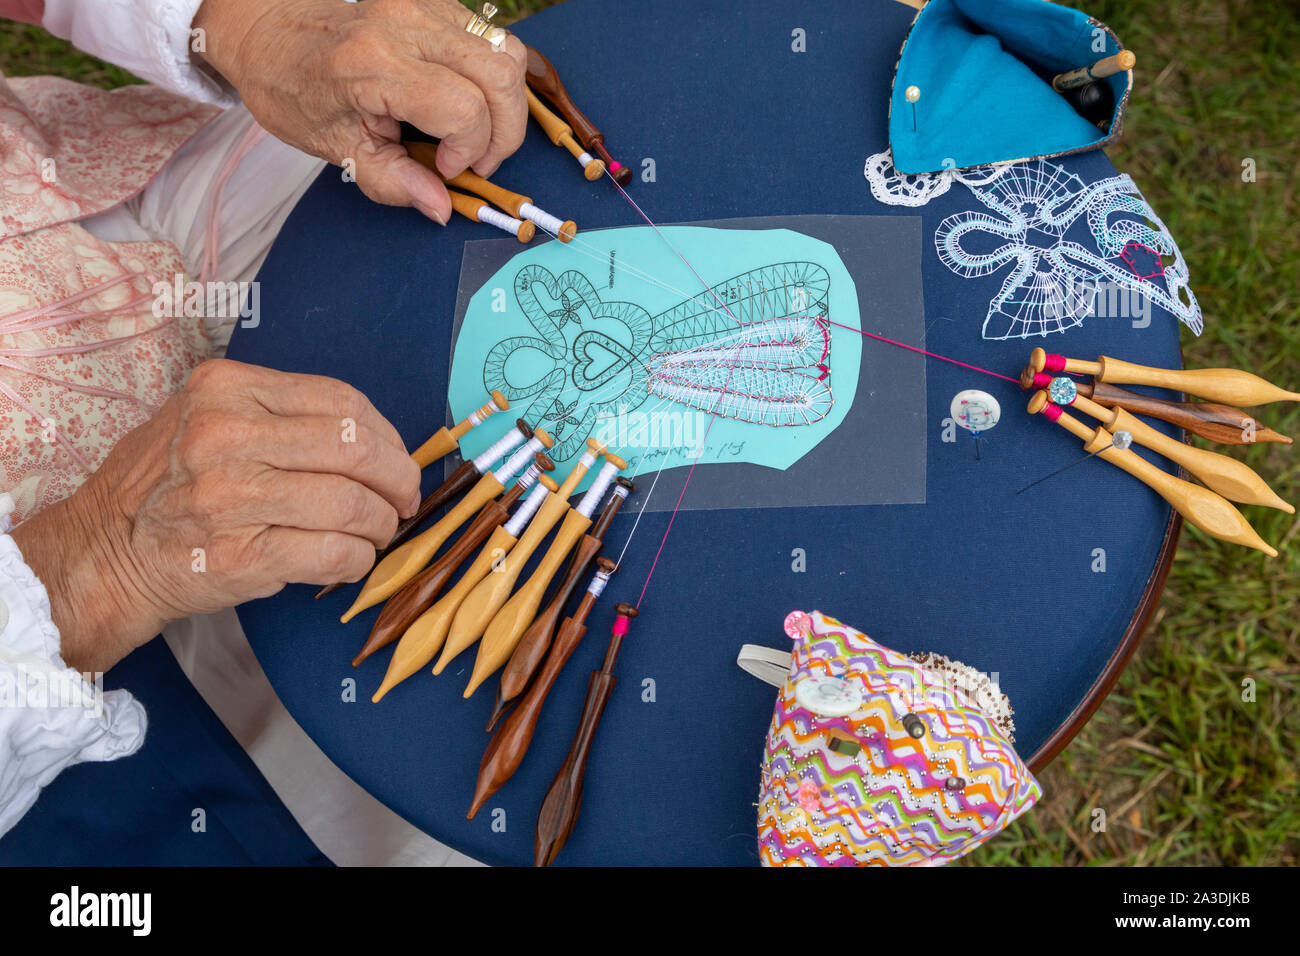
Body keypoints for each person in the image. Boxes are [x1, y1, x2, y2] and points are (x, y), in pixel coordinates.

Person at [0, 0, 528, 863]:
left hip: (89, 187)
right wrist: (94, 564)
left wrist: (237, 25)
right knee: (425, 773)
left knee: (475, 150)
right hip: (79, 666)